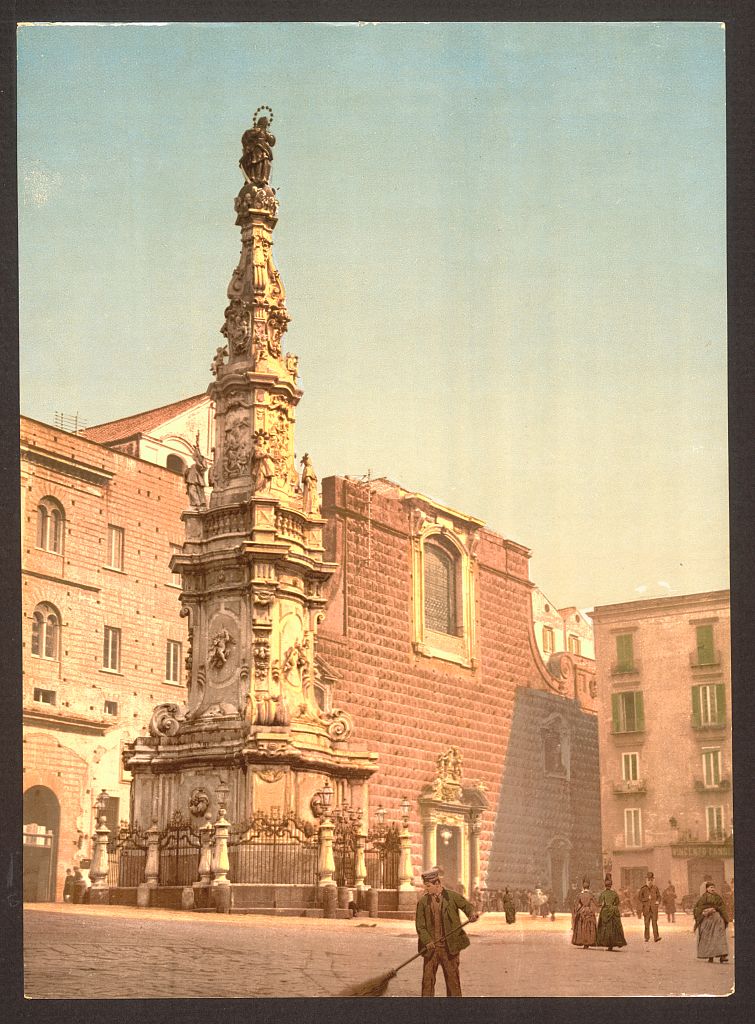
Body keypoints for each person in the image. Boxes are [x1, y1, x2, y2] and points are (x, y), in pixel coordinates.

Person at [415, 868, 478, 997]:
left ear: (437, 883)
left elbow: (467, 906)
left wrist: (471, 914)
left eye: (428, 886)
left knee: (453, 982)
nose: (426, 889)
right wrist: (427, 941)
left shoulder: (452, 896)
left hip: (450, 948)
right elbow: (420, 926)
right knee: (427, 983)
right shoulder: (422, 902)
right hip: (430, 949)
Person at [693, 880, 729, 963]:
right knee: (708, 937)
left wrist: (716, 909)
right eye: (711, 887)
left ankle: (722, 956)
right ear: (707, 889)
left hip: (717, 920)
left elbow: (722, 906)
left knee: (720, 936)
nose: (713, 889)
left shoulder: (718, 897)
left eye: (714, 887)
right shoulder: (703, 898)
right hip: (707, 921)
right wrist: (706, 911)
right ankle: (710, 956)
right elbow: (698, 908)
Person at [596, 874, 627, 951]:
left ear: (605, 885)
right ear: (611, 885)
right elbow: (617, 902)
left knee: (605, 928)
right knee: (614, 928)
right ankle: (613, 943)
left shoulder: (603, 893)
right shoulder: (614, 893)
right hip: (613, 911)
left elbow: (599, 903)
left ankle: (606, 942)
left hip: (605, 911)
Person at [571, 877, 599, 949]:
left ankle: (582, 940)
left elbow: (576, 904)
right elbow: (596, 904)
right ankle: (589, 941)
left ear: (583, 886)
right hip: (589, 911)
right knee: (589, 927)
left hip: (582, 911)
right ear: (589, 886)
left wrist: (575, 912)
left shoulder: (580, 894)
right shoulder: (591, 894)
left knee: (581, 926)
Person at [639, 871, 662, 942]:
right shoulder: (643, 889)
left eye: (651, 880)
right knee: (646, 924)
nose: (650, 881)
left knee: (654, 923)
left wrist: (657, 902)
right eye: (649, 880)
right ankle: (646, 937)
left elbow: (659, 897)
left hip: (654, 909)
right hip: (646, 909)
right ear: (646, 880)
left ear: (653, 880)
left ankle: (656, 937)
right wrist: (646, 899)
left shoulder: (655, 888)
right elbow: (639, 898)